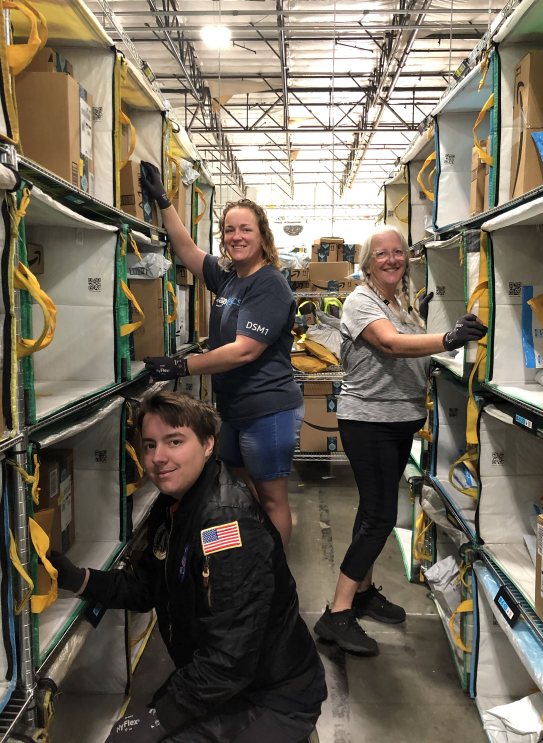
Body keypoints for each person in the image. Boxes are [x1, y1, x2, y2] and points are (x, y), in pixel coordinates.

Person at [49, 391, 326, 743]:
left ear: (208, 444)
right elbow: (147, 587)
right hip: (226, 680)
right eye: (149, 445)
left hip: (270, 696)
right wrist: (81, 580)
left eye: (174, 441)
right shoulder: (173, 506)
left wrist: (160, 719)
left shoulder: (226, 528)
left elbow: (230, 658)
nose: (158, 458)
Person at [314, 225, 487, 655]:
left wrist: (421, 320)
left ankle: (363, 593)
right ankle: (336, 614)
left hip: (397, 422)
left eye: (398, 253)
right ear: (367, 262)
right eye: (381, 254)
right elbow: (390, 345)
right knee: (379, 519)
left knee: (372, 513)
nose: (391, 259)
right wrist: (447, 339)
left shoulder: (398, 300)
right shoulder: (360, 301)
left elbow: (406, 341)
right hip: (369, 423)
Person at [140, 164, 303, 547]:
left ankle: (274, 579)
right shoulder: (229, 278)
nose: (236, 236)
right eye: (230, 230)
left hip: (269, 411)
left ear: (263, 236)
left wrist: (181, 364)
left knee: (271, 497)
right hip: (231, 410)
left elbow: (244, 351)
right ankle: (246, 562)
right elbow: (185, 249)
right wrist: (164, 199)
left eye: (246, 229)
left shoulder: (270, 284)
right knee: (239, 492)